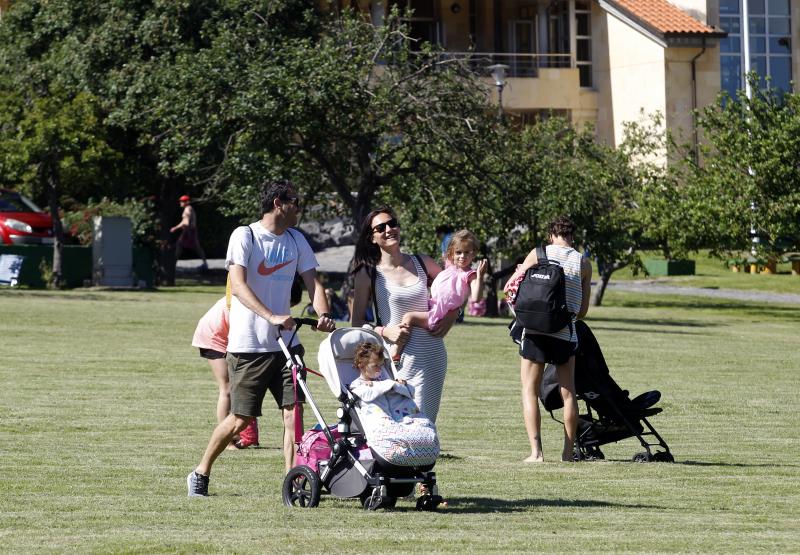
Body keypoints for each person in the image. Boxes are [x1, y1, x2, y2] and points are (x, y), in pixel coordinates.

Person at [187, 180, 336, 497]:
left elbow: (314, 282)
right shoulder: (246, 235)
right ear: (279, 202)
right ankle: (201, 472)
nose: (300, 208)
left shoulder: (296, 240)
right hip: (248, 346)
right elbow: (238, 285)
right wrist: (271, 316)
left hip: (286, 345)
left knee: (293, 414)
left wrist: (322, 314)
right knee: (240, 419)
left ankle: (293, 481)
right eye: (296, 202)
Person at [350, 206, 459, 424]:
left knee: (425, 421)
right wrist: (384, 331)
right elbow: (356, 323)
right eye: (381, 227)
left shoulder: (422, 262)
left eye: (393, 224)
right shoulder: (367, 272)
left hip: (432, 355)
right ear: (372, 238)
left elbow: (456, 289)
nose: (389, 229)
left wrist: (450, 317)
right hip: (395, 358)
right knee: (399, 421)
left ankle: (422, 456)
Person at [506, 216, 591, 463]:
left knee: (529, 391)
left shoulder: (538, 253)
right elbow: (582, 311)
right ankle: (567, 452)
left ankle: (536, 453)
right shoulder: (583, 262)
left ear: (551, 234)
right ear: (572, 235)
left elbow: (510, 289)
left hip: (534, 332)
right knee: (569, 394)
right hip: (564, 332)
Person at [390, 229, 487, 360]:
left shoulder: (469, 275)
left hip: (438, 315)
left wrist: (480, 276)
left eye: (467, 252)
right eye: (458, 252)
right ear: (451, 254)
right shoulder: (449, 267)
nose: (462, 256)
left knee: (409, 317)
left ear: (474, 254)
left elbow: (476, 298)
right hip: (431, 306)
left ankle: (396, 351)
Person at [191, 297, 259, 449]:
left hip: (228, 334)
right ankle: (228, 441)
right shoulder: (255, 298)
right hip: (214, 335)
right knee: (226, 388)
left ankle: (240, 434)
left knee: (237, 386)